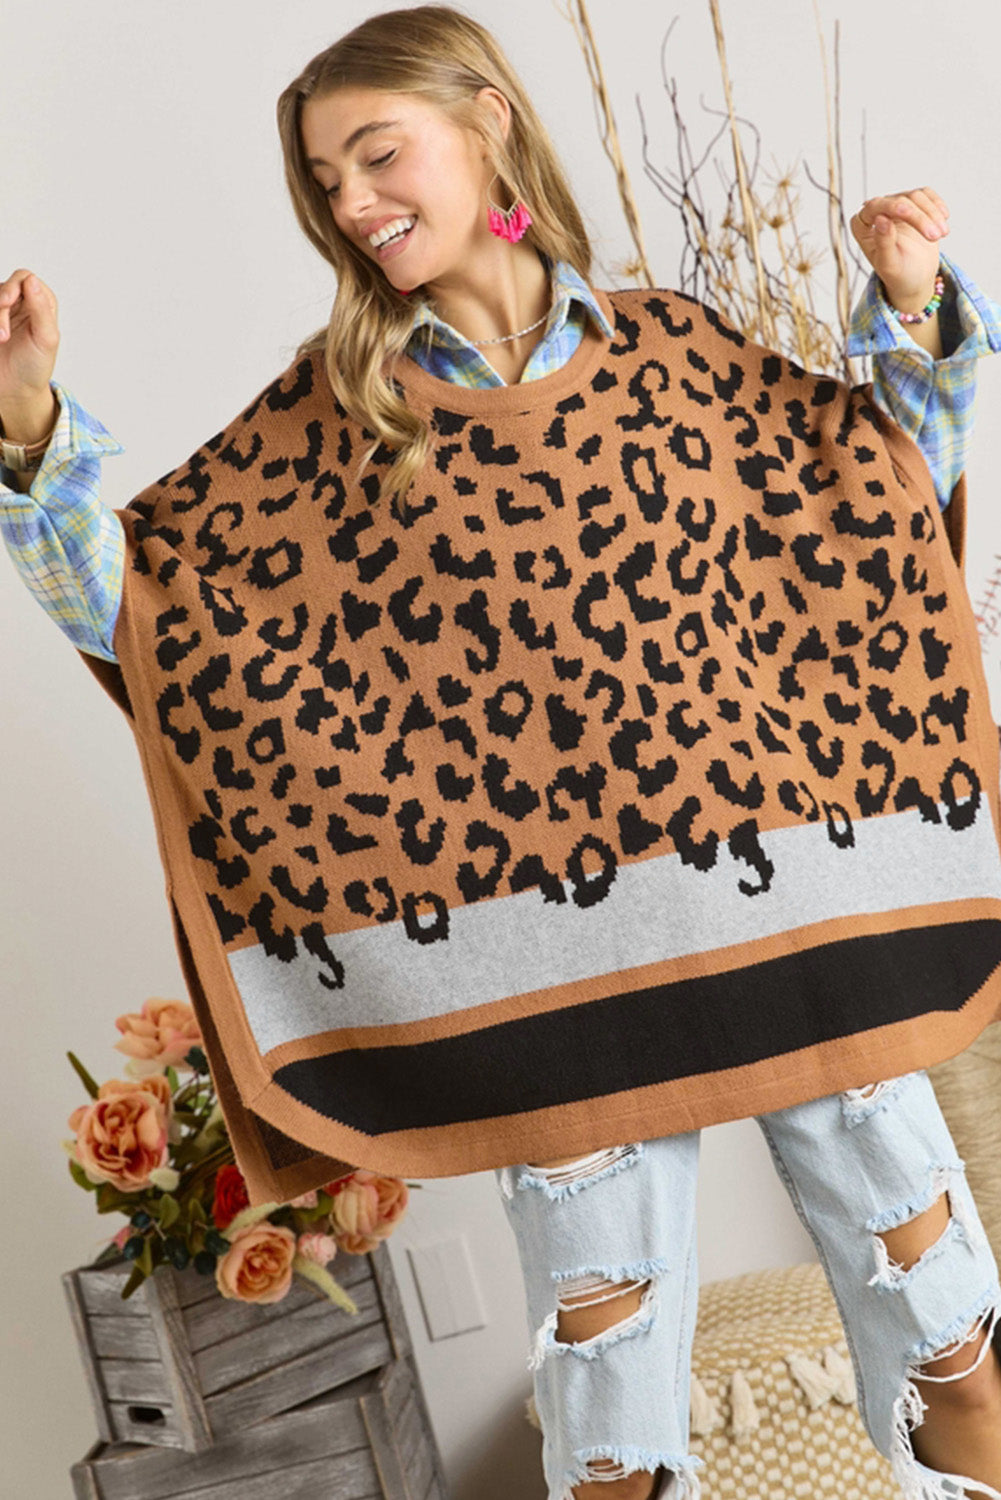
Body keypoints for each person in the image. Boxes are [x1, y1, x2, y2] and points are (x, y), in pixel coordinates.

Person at [3, 8, 1001, 1499]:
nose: (352, 202)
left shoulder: (674, 347)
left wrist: (911, 303)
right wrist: (27, 429)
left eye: (376, 154)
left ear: (487, 121)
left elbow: (877, 496)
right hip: (552, 991)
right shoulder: (335, 416)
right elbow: (158, 612)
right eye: (324, 179)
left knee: (954, 1357)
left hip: (796, 934)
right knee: (613, 1444)